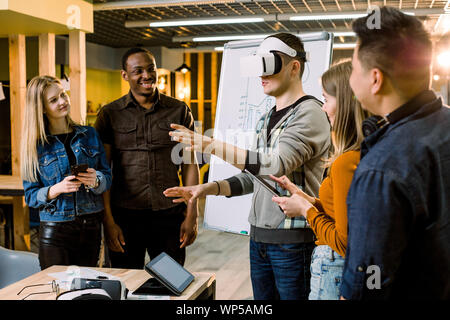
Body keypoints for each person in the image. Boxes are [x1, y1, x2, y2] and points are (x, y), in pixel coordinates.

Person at [164, 33, 331, 300]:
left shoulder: (311, 113)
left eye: (269, 65)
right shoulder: (266, 116)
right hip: (259, 241)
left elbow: (274, 165)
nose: (261, 75)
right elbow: (255, 177)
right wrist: (205, 188)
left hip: (293, 243)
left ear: (294, 66)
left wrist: (208, 144)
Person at [341, 6, 450, 299]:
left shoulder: (381, 170)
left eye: (353, 68)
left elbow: (365, 288)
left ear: (375, 79)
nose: (351, 80)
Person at [270, 60, 370, 300]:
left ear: (345, 104)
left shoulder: (345, 162)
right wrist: (308, 200)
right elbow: (345, 213)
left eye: (326, 100)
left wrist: (305, 210)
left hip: (334, 267)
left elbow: (345, 242)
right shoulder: (364, 152)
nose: (323, 109)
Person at [94, 47, 199, 268]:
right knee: (126, 283)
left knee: (171, 283)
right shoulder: (110, 114)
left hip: (169, 215)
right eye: (138, 71)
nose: (146, 75)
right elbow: (103, 171)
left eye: (150, 69)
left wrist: (192, 214)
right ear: (125, 75)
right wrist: (109, 221)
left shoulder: (179, 110)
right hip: (125, 218)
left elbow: (190, 164)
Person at [21, 75, 112, 269]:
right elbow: (30, 196)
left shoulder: (89, 134)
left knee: (87, 289)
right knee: (57, 291)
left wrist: (96, 180)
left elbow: (107, 177)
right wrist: (57, 189)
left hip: (91, 226)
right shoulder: (35, 146)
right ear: (42, 108)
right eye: (54, 100)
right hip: (55, 230)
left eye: (63, 94)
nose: (63, 101)